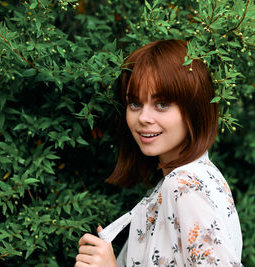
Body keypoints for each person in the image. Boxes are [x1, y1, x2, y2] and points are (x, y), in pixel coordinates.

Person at [75, 39, 243, 266]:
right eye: (135, 103)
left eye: (162, 104)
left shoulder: (184, 187)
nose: (144, 117)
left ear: (193, 109)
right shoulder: (192, 179)